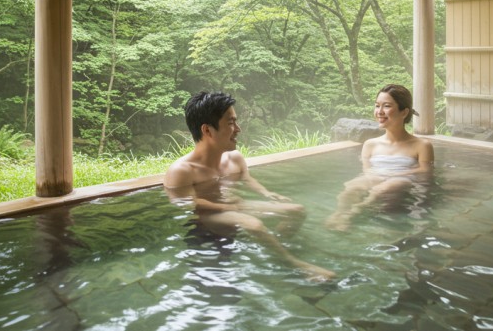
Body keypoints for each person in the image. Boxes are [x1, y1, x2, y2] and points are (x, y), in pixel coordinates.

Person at [164, 91, 335, 281]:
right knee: (253, 224)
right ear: (207, 130)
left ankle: (273, 248)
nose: (238, 129)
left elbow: (247, 178)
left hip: (236, 205)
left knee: (297, 210)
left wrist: (267, 193)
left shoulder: (234, 158)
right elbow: (187, 203)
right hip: (209, 218)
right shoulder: (182, 171)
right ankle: (295, 266)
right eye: (230, 123)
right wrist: (227, 207)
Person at [326, 84, 434, 231]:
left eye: (387, 106)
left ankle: (351, 215)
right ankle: (338, 215)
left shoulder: (422, 145)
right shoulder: (370, 144)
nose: (380, 112)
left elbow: (425, 171)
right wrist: (375, 177)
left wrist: (395, 174)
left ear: (404, 112)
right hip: (378, 176)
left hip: (403, 179)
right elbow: (367, 170)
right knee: (351, 186)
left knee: (384, 188)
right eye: (377, 106)